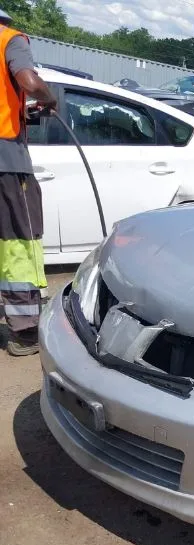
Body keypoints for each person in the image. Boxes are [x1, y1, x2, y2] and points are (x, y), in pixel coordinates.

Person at [0, 9, 56, 356]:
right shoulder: (10, 40)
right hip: (6, 162)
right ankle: (24, 333)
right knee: (18, 243)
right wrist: (47, 98)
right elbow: (28, 81)